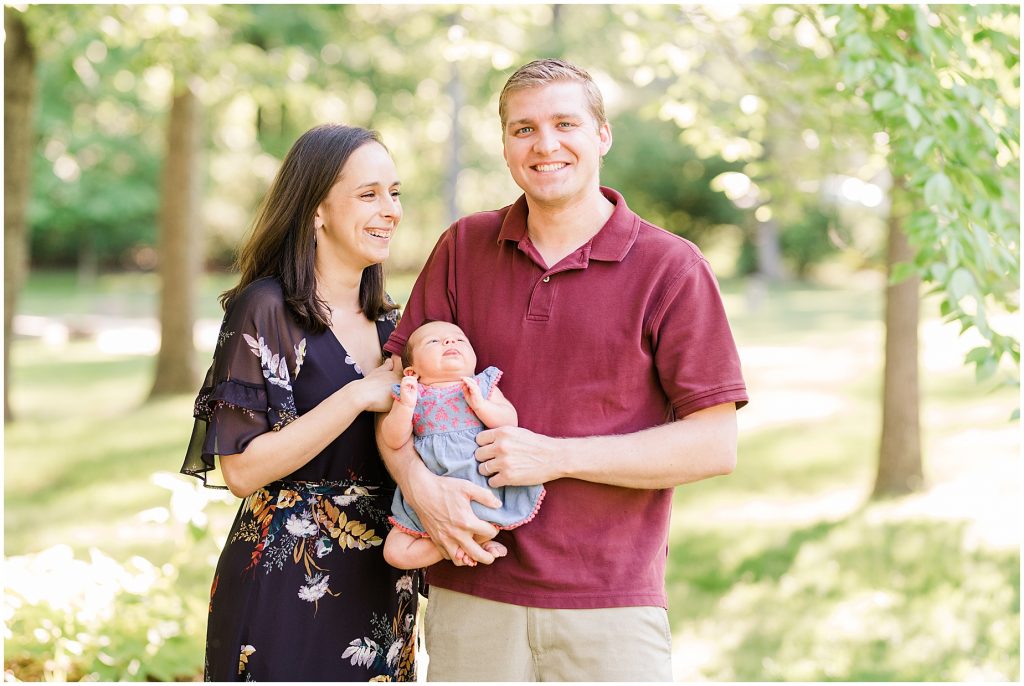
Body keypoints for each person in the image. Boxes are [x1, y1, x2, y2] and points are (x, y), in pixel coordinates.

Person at [377, 59, 749, 681]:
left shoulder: (671, 267)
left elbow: (715, 444)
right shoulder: (464, 248)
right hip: (471, 588)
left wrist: (557, 456)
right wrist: (419, 488)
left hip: (608, 604)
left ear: (601, 135)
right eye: (523, 129)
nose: (545, 144)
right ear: (504, 145)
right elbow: (398, 395)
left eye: (564, 123)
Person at [180, 124, 419, 681]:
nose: (390, 210)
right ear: (316, 209)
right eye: (369, 194)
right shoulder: (265, 310)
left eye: (395, 192)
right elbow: (241, 470)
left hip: (384, 584)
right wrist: (358, 395)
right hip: (287, 581)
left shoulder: (394, 323)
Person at [380, 320, 544, 570]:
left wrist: (481, 406)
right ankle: (471, 543)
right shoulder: (413, 394)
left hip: (478, 481)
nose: (449, 341)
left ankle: (476, 537)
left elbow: (510, 420)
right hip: (432, 492)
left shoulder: (480, 385)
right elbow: (393, 439)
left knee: (487, 515)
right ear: (411, 371)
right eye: (434, 341)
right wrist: (405, 406)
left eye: (459, 339)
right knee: (395, 553)